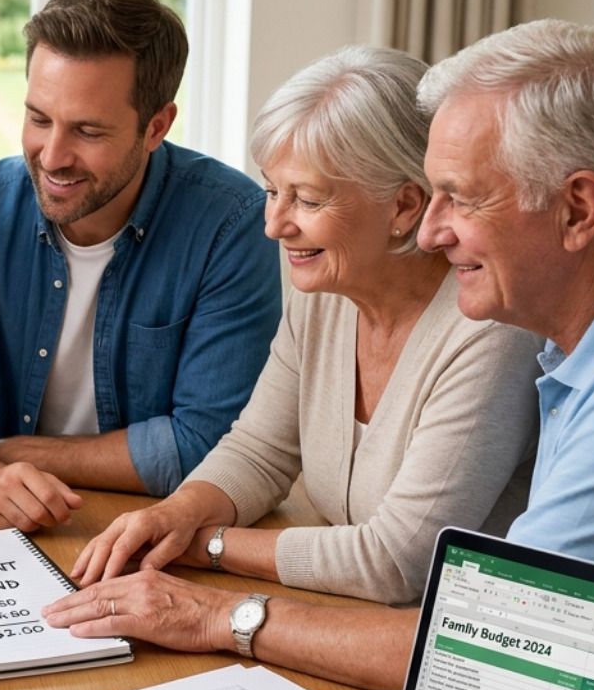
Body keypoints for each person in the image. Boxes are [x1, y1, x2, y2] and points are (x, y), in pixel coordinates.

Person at [46, 19, 594, 690]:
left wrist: (218, 604)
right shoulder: (586, 333)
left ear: (578, 209)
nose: (433, 231)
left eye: (459, 197)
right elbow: (259, 449)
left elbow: (492, 642)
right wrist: (182, 517)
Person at [70, 47, 542, 605]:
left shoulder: (491, 331)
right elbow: (259, 451)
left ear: (404, 207)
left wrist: (206, 546)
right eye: (272, 190)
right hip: (342, 615)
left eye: (308, 199)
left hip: (444, 651)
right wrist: (173, 515)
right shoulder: (325, 293)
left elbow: (396, 563)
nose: (274, 225)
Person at [0, 0, 280, 533]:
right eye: (38, 118)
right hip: (19, 528)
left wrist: (7, 454)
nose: (52, 156)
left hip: (164, 529)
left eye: (87, 131)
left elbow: (212, 444)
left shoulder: (231, 221)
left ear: (156, 126)